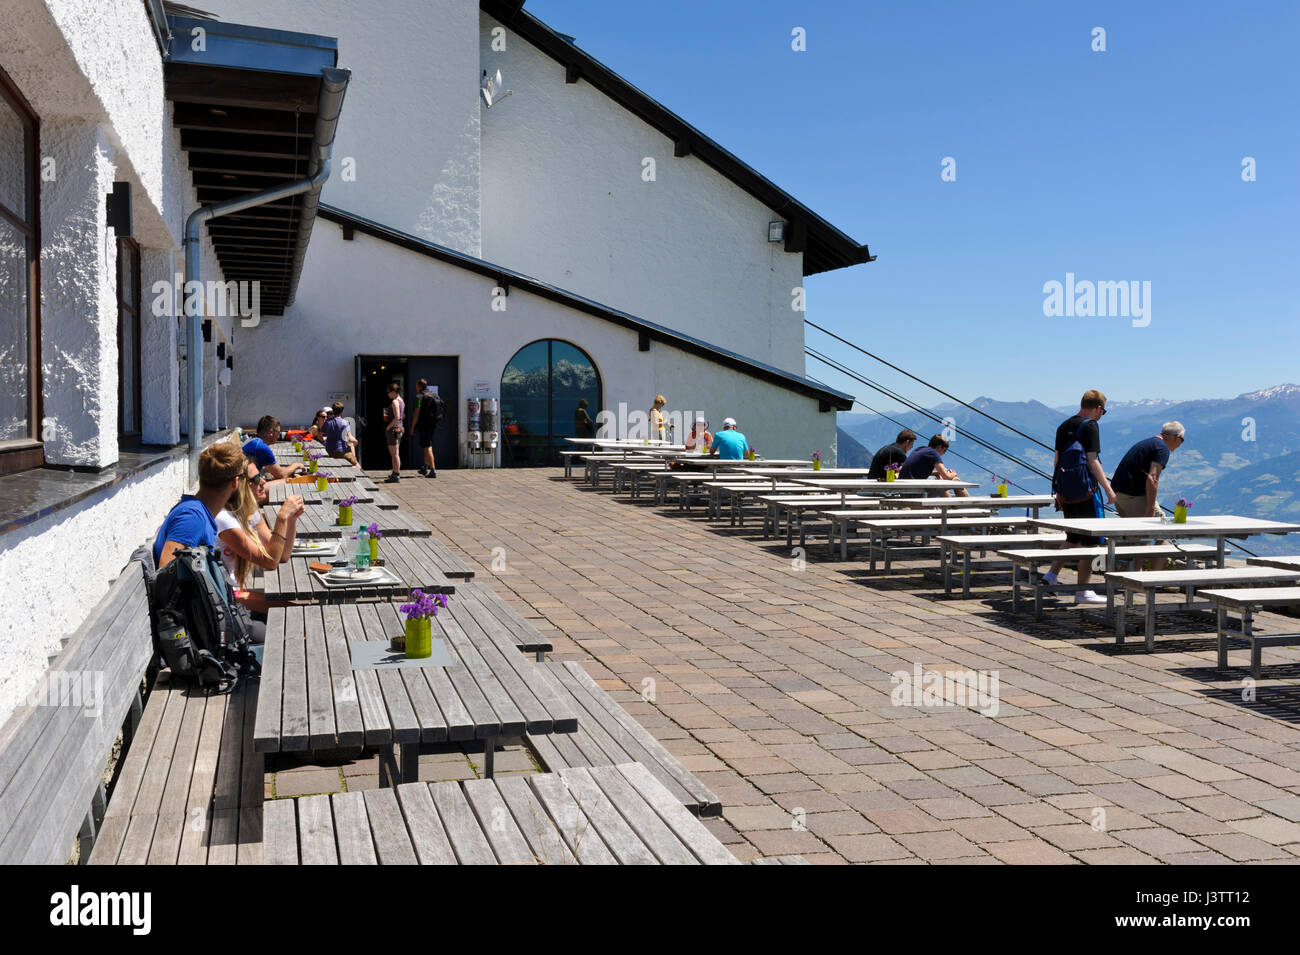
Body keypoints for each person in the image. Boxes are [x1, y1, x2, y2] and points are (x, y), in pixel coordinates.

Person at [1043, 389, 1117, 604]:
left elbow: (1057, 460)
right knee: (1091, 542)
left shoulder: (1064, 425)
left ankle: (1051, 575)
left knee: (1073, 537)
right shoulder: (1091, 426)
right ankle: (1083, 590)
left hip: (1066, 491)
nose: (1101, 415)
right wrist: (1108, 489)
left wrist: (1057, 489)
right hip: (1086, 492)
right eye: (1103, 411)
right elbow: (1092, 461)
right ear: (1098, 408)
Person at [217, 460, 305, 615]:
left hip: (240, 591)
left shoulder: (250, 511)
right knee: (297, 614)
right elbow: (271, 562)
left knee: (299, 612)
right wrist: (282, 518)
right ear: (239, 484)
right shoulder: (224, 518)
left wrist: (291, 520)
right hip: (228, 599)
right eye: (256, 479)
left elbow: (282, 556)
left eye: (261, 476)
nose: (263, 481)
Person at [154, 441, 245, 568]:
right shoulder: (192, 518)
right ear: (235, 482)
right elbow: (165, 575)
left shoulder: (197, 511)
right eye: (243, 476)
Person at [1111, 421, 1186, 570]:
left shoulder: (1149, 443)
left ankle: (1135, 575)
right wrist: (1150, 508)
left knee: (1140, 536)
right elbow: (1152, 478)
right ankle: (1149, 579)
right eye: (1182, 441)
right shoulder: (1162, 448)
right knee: (1162, 532)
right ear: (1177, 438)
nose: (1180, 445)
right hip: (1133, 496)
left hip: (1120, 494)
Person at [899, 434, 972, 496]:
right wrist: (953, 474)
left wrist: (936, 472)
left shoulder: (920, 449)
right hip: (914, 492)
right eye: (944, 450)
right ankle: (969, 506)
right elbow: (946, 477)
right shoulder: (933, 453)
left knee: (938, 477)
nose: (943, 453)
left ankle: (949, 505)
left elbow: (916, 471)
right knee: (955, 481)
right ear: (939, 447)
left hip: (903, 490)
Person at [244, 415, 306, 481]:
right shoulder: (261, 447)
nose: (279, 436)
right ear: (271, 432)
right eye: (278, 432)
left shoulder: (254, 440)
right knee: (285, 481)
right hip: (243, 486)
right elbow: (281, 475)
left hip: (241, 480)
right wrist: (296, 465)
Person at [410, 378, 442, 478]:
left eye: (416, 385)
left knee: (428, 447)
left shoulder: (419, 396)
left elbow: (416, 413)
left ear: (419, 386)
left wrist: (413, 427)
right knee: (427, 444)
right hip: (433, 424)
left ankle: (433, 470)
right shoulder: (433, 395)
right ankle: (425, 466)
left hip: (424, 424)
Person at [320, 402, 359, 467]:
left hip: (330, 450)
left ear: (333, 410)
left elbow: (320, 435)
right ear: (342, 411)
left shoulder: (327, 422)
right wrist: (356, 442)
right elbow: (350, 437)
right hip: (342, 451)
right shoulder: (345, 422)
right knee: (356, 464)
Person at [383, 381, 406, 483]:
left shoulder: (395, 402)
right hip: (400, 427)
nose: (388, 394)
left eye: (388, 392)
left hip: (394, 428)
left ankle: (396, 474)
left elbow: (397, 417)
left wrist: (388, 427)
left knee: (394, 453)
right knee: (396, 452)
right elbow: (402, 416)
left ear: (393, 392)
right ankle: (395, 472)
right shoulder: (402, 401)